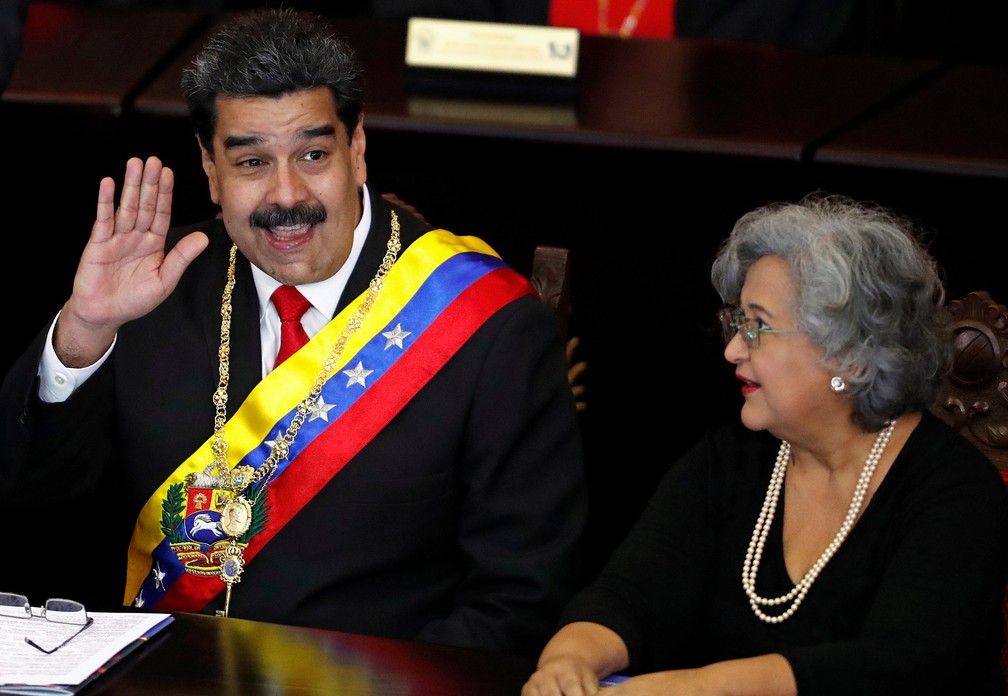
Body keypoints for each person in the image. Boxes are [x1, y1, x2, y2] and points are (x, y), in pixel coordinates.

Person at [0, 7, 587, 657]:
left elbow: (521, 599)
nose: (288, 196)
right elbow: (31, 502)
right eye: (252, 163)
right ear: (209, 167)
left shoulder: (487, 325)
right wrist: (86, 331)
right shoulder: (152, 288)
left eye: (313, 154)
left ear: (357, 149)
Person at [522, 193, 1008, 694]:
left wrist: (703, 687)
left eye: (757, 327)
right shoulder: (728, 462)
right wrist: (569, 659)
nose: (733, 349)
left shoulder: (957, 493)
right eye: (738, 324)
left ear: (851, 356)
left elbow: (898, 665)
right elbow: (629, 598)